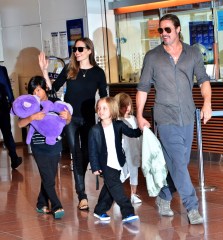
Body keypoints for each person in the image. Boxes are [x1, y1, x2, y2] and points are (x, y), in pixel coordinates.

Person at [136, 14, 212, 225]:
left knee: (180, 163)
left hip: (187, 115)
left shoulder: (193, 53)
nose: (164, 34)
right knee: (179, 162)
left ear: (178, 29)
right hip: (165, 116)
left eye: (167, 30)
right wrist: (139, 114)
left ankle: (164, 195)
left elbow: (203, 80)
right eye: (160, 31)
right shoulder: (152, 57)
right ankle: (192, 207)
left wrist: (207, 103)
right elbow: (143, 88)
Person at [38, 37, 108, 211]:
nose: (76, 52)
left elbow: (105, 96)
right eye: (75, 49)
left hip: (88, 119)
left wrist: (106, 116)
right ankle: (82, 196)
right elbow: (53, 91)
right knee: (76, 154)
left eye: (80, 49)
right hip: (69, 118)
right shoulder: (70, 69)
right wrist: (45, 73)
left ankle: (79, 184)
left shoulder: (98, 73)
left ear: (89, 51)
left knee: (85, 155)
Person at [18, 76, 72, 219]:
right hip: (38, 146)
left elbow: (67, 121)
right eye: (33, 91)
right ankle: (56, 205)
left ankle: (41, 203)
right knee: (48, 177)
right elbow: (20, 124)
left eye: (38, 90)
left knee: (49, 176)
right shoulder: (29, 104)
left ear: (45, 88)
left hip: (55, 144)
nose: (36, 94)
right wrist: (31, 118)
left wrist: (68, 117)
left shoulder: (55, 101)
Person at [88, 97, 142, 223]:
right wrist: (95, 167)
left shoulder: (118, 125)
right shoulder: (95, 130)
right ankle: (127, 212)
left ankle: (100, 210)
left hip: (117, 162)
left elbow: (132, 133)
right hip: (105, 164)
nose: (101, 111)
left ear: (112, 110)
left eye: (104, 108)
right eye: (99, 108)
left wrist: (142, 129)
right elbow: (93, 150)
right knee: (117, 189)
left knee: (109, 189)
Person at [114, 92, 142, 204]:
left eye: (128, 105)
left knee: (134, 172)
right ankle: (117, 195)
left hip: (135, 150)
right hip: (124, 151)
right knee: (123, 173)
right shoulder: (118, 122)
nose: (127, 108)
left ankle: (133, 194)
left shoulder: (134, 118)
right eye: (123, 106)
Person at [0, 65, 22, 169]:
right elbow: (6, 86)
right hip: (1, 106)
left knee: (7, 133)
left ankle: (14, 158)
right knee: (7, 133)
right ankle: (14, 158)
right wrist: (13, 102)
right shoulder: (1, 69)